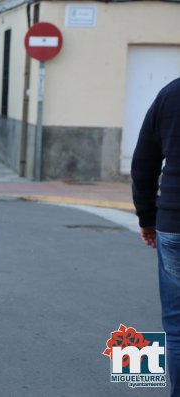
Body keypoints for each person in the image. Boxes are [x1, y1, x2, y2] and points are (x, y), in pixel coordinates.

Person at [131, 77, 180, 396]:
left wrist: (147, 217)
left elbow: (143, 164)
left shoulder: (170, 94)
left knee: (176, 329)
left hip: (174, 223)